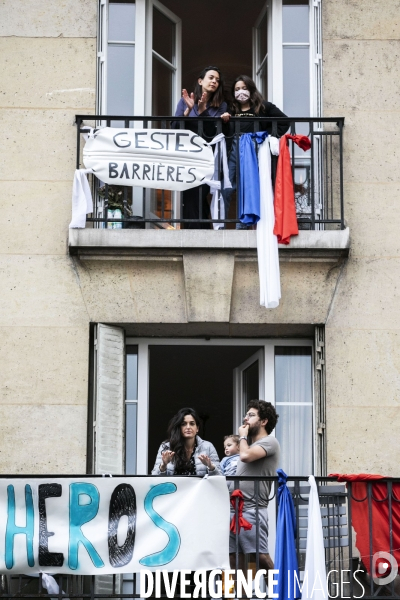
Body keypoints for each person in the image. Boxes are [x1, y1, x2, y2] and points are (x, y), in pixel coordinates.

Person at [220, 75, 289, 229]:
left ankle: (244, 225)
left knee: (250, 186)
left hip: (255, 148)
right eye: (237, 89)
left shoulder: (264, 107)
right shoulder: (231, 109)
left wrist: (266, 135)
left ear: (251, 89)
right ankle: (221, 225)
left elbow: (284, 121)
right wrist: (225, 120)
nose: (241, 92)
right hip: (234, 148)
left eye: (244, 88)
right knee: (227, 186)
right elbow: (224, 133)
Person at [229, 399, 280, 573]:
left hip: (252, 510)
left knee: (259, 557)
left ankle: (282, 595)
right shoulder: (249, 446)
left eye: (251, 415)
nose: (245, 419)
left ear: (263, 421)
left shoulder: (269, 442)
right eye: (246, 415)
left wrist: (242, 437)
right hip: (234, 510)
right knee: (235, 559)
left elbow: (245, 456)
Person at [174, 66, 227, 229]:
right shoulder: (184, 102)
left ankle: (198, 232)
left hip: (207, 158)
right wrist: (188, 111)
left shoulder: (221, 106)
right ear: (200, 80)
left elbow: (213, 133)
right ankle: (198, 233)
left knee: (201, 193)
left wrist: (203, 111)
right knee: (189, 196)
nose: (214, 82)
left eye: (217, 80)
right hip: (187, 156)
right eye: (211, 77)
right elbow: (175, 128)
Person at [151, 407, 221, 476]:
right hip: (174, 487)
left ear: (197, 428)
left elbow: (220, 477)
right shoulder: (167, 446)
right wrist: (164, 465)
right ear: (179, 427)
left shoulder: (208, 446)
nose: (188, 427)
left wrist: (210, 466)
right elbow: (154, 477)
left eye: (192, 424)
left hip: (200, 487)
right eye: (183, 424)